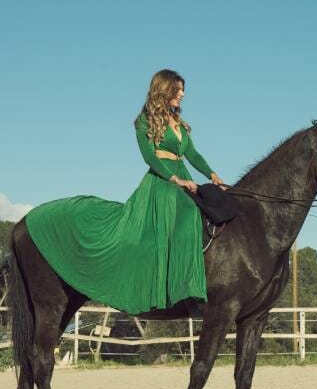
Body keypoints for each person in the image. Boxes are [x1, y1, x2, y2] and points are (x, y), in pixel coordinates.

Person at [24, 69, 225, 314]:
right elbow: (149, 157)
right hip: (162, 183)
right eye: (177, 89)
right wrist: (175, 179)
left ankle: (191, 282)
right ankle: (174, 285)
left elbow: (192, 154)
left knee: (206, 208)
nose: (182, 94)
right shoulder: (144, 121)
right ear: (163, 90)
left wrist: (213, 176)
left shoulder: (179, 124)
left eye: (183, 90)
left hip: (184, 177)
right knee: (184, 216)